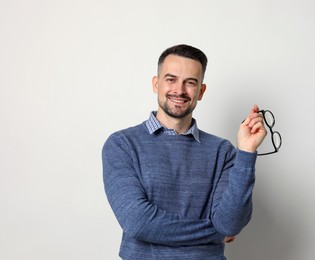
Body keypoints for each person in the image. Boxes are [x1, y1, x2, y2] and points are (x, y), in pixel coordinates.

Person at [102, 44, 267, 259]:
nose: (179, 90)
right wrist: (214, 232)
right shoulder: (122, 144)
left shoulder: (222, 151)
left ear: (201, 91)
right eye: (171, 79)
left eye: (190, 83)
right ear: (156, 84)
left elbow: (230, 223)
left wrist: (246, 152)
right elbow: (138, 222)